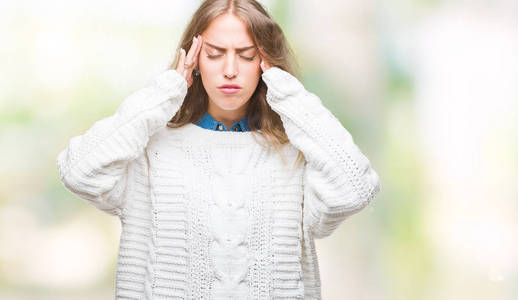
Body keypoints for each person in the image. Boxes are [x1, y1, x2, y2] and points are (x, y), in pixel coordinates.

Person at [56, 0, 382, 299]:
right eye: (214, 53)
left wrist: (287, 93)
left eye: (246, 54)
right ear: (194, 59)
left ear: (265, 62)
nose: (229, 69)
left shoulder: (295, 154)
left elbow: (355, 188)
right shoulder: (150, 150)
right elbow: (79, 171)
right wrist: (168, 90)